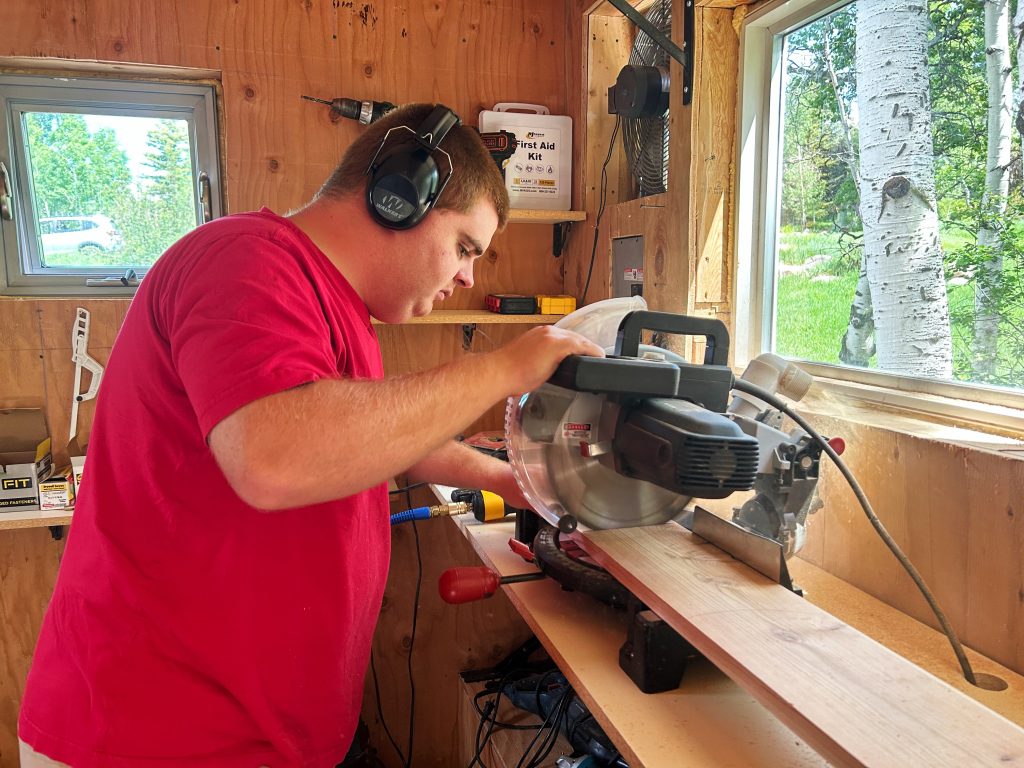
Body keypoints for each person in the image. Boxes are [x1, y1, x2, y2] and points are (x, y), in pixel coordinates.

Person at [18, 103, 604, 768]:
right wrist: (502, 368)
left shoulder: (330, 302)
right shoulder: (245, 264)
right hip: (158, 735)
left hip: (257, 730)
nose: (469, 276)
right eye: (466, 246)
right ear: (398, 200)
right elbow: (276, 458)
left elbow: (356, 431)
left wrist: (506, 479)